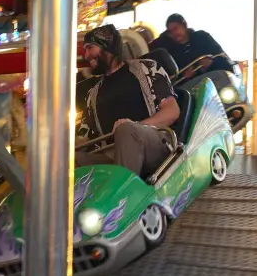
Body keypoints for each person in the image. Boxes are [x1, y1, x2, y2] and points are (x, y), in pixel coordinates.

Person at [76, 24, 180, 178]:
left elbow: (172, 111)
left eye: (90, 48)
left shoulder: (147, 68)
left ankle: (121, 200)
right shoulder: (92, 93)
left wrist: (134, 127)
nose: (86, 55)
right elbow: (83, 138)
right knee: (68, 158)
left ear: (108, 46)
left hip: (154, 144)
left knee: (125, 130)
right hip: (113, 154)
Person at [149, 13, 235, 79]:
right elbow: (176, 76)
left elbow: (222, 55)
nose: (174, 33)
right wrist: (185, 76)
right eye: (170, 32)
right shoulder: (173, 52)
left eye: (176, 29)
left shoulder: (202, 37)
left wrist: (212, 61)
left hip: (218, 78)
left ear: (184, 25)